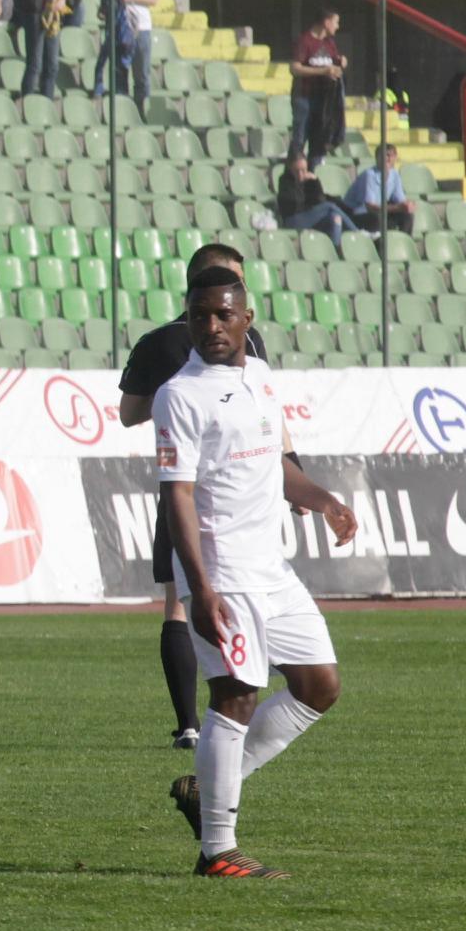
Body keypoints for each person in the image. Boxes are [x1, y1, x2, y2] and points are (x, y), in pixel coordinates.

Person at [155, 266, 357, 880]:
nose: (210, 326)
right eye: (198, 316)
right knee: (236, 697)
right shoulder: (179, 395)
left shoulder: (262, 379)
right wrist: (202, 588)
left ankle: (210, 785)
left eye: (222, 315)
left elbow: (274, 466)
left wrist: (322, 498)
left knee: (319, 685)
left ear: (246, 318)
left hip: (271, 568)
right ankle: (218, 850)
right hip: (224, 573)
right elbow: (178, 497)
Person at [115, 243, 269, 750]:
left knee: (177, 603)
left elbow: (128, 413)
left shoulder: (158, 342)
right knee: (220, 598)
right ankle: (222, 721)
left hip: (192, 486)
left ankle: (189, 723)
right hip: (222, 488)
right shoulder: (248, 341)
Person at [95, 0, 156, 115]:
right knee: (119, 75)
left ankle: (142, 113)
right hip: (117, 29)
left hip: (139, 28)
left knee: (141, 75)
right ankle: (123, 114)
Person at [286, 7, 347, 167]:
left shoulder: (329, 43)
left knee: (319, 139)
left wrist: (341, 62)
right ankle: (294, 174)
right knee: (300, 137)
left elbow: (334, 62)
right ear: (326, 23)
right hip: (304, 98)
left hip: (323, 101)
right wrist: (323, 71)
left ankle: (312, 175)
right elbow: (295, 68)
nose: (337, 26)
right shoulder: (304, 41)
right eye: (336, 22)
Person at [276, 154, 354, 246]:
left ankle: (334, 249)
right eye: (296, 171)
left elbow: (320, 200)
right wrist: (299, 184)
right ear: (290, 169)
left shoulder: (309, 180)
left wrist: (315, 181)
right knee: (330, 206)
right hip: (293, 220)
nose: (300, 174)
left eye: (303, 170)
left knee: (335, 217)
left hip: (308, 217)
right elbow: (296, 205)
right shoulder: (284, 181)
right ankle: (357, 232)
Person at [343, 144, 414, 233]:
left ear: (395, 157)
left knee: (407, 215)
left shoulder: (395, 175)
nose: (386, 158)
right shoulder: (369, 175)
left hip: (379, 212)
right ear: (377, 158)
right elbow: (371, 207)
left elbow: (400, 200)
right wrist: (398, 208)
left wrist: (408, 205)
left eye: (389, 155)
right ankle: (379, 244)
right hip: (357, 214)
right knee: (377, 218)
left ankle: (403, 242)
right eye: (382, 155)